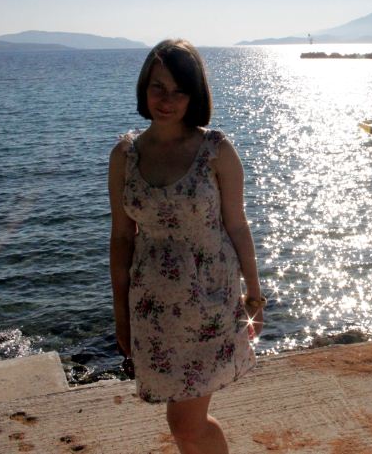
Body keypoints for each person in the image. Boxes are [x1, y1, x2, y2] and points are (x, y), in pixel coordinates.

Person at [109, 39, 264, 454]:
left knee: (185, 423)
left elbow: (237, 224)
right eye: (158, 87)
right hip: (153, 307)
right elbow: (122, 238)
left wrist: (254, 295)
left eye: (179, 91)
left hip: (210, 301)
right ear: (144, 88)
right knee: (181, 424)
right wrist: (121, 315)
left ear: (195, 96)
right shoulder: (125, 155)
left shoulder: (215, 150)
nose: (167, 100)